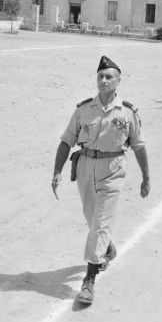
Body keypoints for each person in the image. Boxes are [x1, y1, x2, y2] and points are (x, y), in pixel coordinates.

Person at [51, 55, 150, 305]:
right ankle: (107, 249)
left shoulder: (127, 112)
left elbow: (138, 146)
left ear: (118, 81)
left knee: (100, 224)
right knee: (91, 217)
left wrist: (146, 177)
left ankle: (89, 280)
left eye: (109, 77)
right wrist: (57, 171)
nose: (103, 80)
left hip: (113, 169)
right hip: (85, 166)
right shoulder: (83, 109)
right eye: (100, 76)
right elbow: (66, 140)